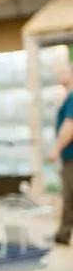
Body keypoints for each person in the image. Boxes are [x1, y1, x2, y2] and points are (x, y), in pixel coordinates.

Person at [47, 62, 73, 246]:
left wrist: (56, 148)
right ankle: (62, 234)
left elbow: (70, 126)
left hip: (70, 156)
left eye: (61, 71)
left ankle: (63, 235)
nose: (57, 75)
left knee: (69, 196)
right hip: (69, 156)